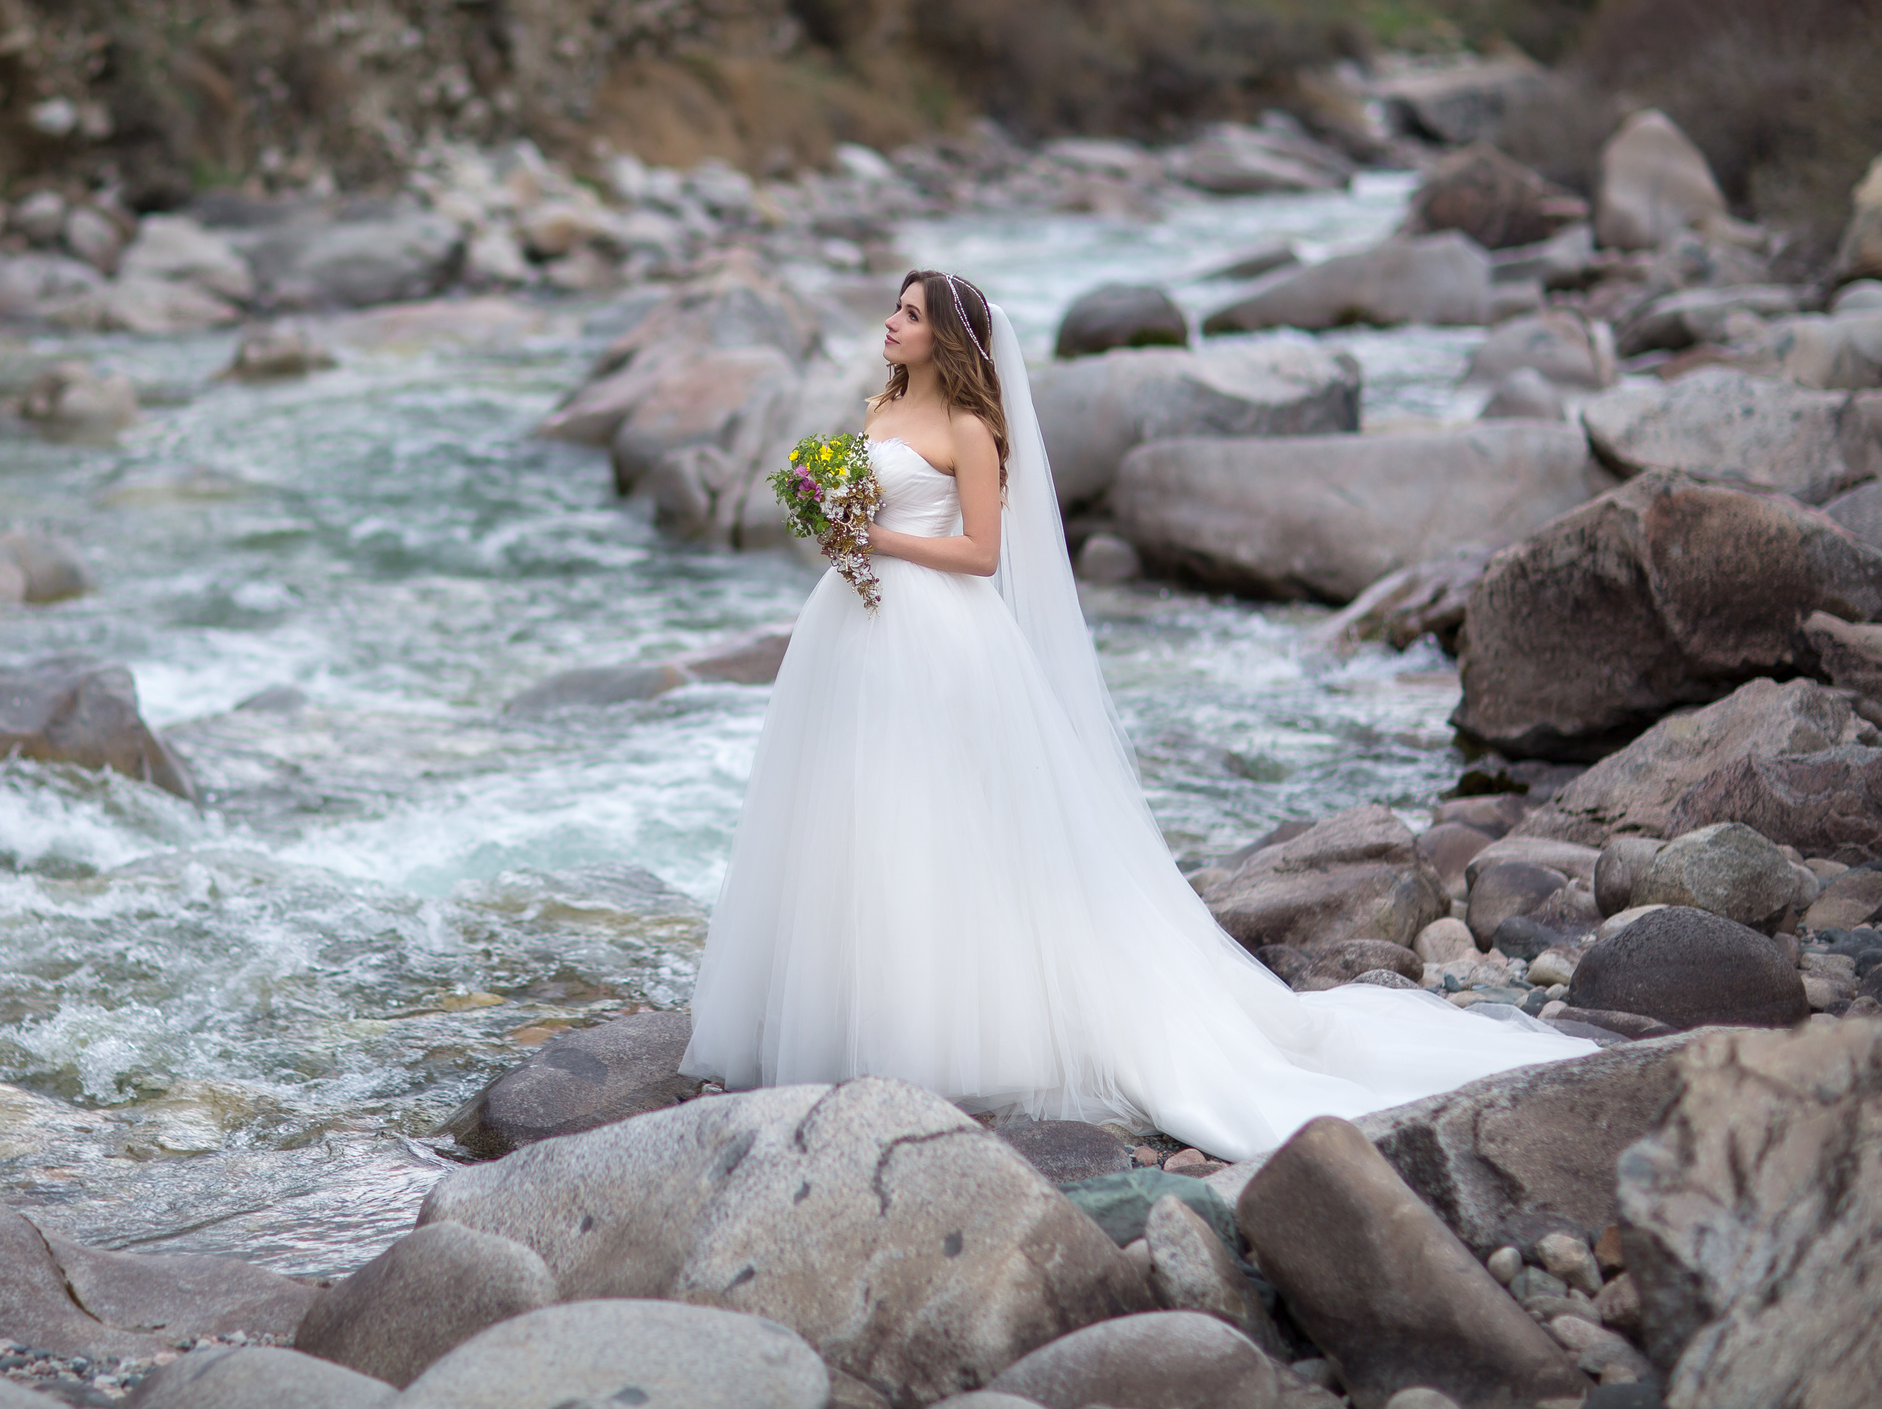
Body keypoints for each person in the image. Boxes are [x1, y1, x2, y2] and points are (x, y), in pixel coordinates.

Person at [679, 269, 1589, 1162]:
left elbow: (981, 551)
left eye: (910, 314)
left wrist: (876, 536)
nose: (892, 321)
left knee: (934, 816)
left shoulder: (969, 428)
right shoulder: (881, 409)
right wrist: (836, 522)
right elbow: (866, 508)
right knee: (853, 810)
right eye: (896, 308)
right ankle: (843, 1001)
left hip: (939, 638)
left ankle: (943, 1026)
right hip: (854, 628)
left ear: (945, 337)